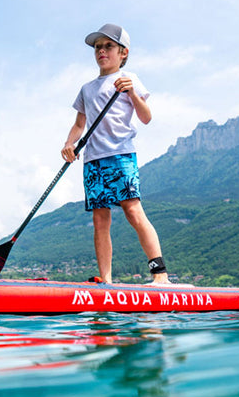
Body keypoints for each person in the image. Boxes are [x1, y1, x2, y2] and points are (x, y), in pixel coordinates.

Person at [61, 23, 169, 284]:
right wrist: (69, 144)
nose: (101, 51)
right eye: (98, 47)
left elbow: (146, 117)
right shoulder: (86, 89)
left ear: (123, 53)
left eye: (108, 46)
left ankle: (160, 276)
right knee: (100, 221)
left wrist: (131, 91)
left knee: (133, 211)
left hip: (121, 155)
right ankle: (106, 280)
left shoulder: (129, 79)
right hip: (93, 161)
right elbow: (79, 124)